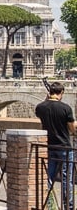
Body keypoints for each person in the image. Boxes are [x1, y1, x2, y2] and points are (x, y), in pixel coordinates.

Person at [35, 80, 75, 210]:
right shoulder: (65, 108)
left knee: (48, 177)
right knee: (66, 179)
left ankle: (49, 204)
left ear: (50, 92)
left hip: (48, 146)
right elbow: (73, 129)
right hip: (64, 147)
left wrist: (46, 99)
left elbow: (40, 112)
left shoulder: (40, 107)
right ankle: (67, 206)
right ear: (61, 92)